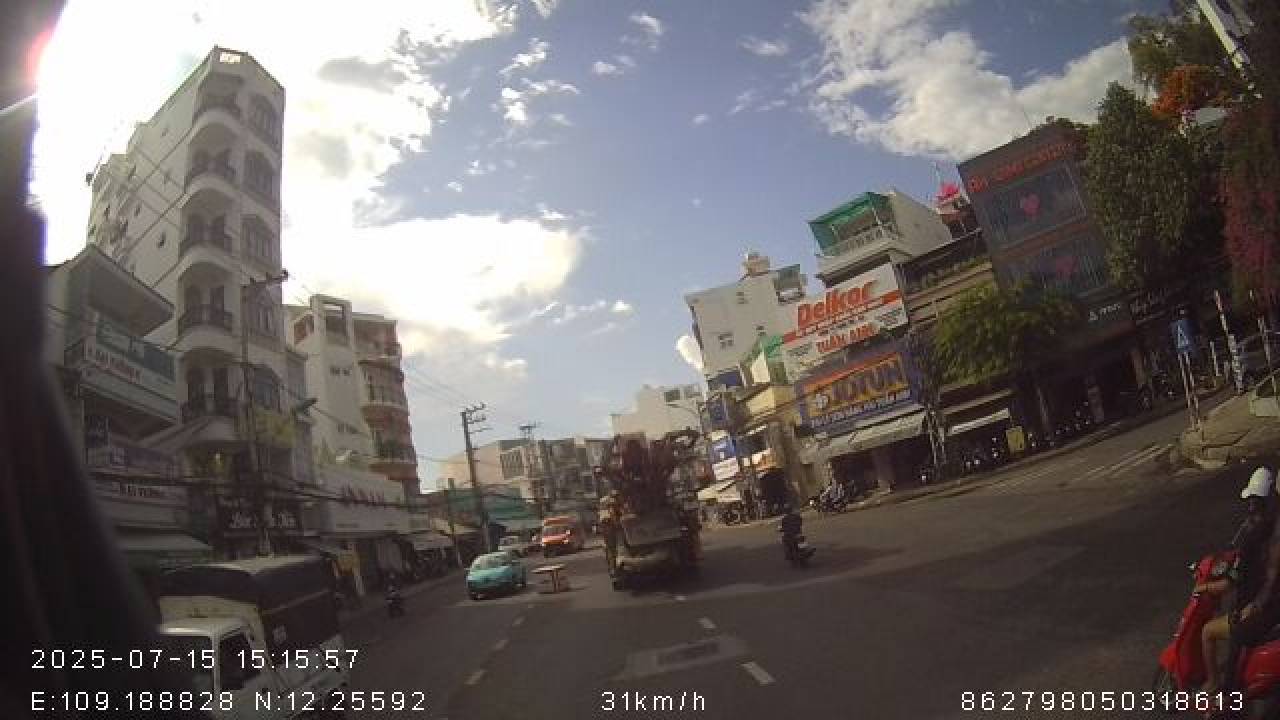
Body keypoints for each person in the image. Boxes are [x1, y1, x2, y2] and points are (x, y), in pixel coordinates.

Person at [1201, 466, 1280, 697]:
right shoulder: (1269, 527)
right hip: (1268, 602)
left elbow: (1235, 581)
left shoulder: (1258, 536)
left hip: (1264, 606)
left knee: (1212, 632)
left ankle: (1221, 690)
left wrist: (1205, 588)